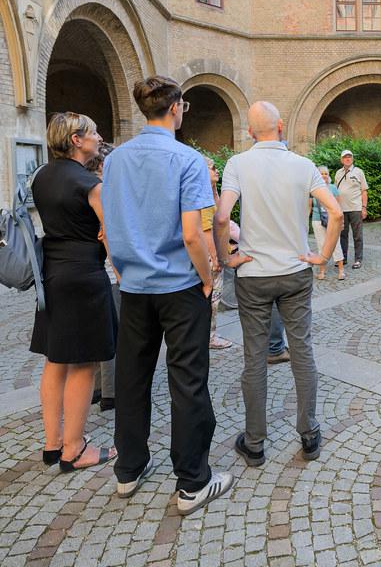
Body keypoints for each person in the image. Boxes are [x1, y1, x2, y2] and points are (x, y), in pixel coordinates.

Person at [102, 76, 233, 515]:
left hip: (134, 286)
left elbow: (109, 225)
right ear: (175, 108)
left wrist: (123, 267)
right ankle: (193, 481)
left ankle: (129, 468)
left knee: (132, 378)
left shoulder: (115, 160)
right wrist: (208, 278)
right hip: (179, 285)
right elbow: (193, 234)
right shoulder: (187, 159)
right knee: (188, 380)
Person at [214, 101, 343, 466]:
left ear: (250, 133)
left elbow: (221, 217)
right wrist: (323, 255)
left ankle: (254, 442)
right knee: (302, 350)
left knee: (254, 357)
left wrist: (226, 258)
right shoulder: (303, 165)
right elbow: (335, 212)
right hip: (295, 271)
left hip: (253, 274)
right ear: (281, 126)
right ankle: (309, 434)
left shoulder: (237, 164)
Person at [29, 113, 116, 471]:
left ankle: (52, 445)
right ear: (77, 140)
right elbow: (111, 236)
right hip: (84, 277)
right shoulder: (90, 183)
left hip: (52, 275)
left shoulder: (41, 176)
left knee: (55, 360)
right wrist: (123, 274)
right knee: (83, 363)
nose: (99, 137)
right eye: (93, 132)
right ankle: (75, 450)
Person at [84, 143, 119, 413]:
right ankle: (111, 393)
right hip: (107, 271)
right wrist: (119, 271)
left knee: (95, 332)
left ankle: (96, 388)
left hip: (86, 270)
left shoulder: (80, 188)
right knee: (112, 334)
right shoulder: (103, 191)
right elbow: (108, 234)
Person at [201, 155, 235, 351]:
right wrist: (216, 259)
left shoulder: (206, 193)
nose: (217, 170)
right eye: (213, 168)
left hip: (209, 254)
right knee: (213, 298)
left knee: (211, 298)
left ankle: (208, 334)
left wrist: (214, 189)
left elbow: (221, 213)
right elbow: (207, 230)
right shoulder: (202, 197)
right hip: (209, 255)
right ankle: (209, 336)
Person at [334, 149, 367, 269]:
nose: (347, 159)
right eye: (345, 157)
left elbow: (364, 191)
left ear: (352, 159)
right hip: (341, 209)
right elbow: (335, 192)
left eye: (349, 157)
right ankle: (343, 258)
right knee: (342, 235)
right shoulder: (338, 173)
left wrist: (364, 207)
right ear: (341, 160)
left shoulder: (359, 172)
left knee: (357, 235)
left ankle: (358, 259)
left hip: (355, 208)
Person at [310, 167, 345, 281]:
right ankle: (322, 272)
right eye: (321, 173)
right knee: (321, 244)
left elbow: (338, 206)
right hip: (317, 219)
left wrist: (341, 221)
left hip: (332, 220)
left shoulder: (333, 188)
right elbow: (309, 206)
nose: (324, 175)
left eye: (326, 173)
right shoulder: (313, 188)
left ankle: (341, 271)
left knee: (336, 244)